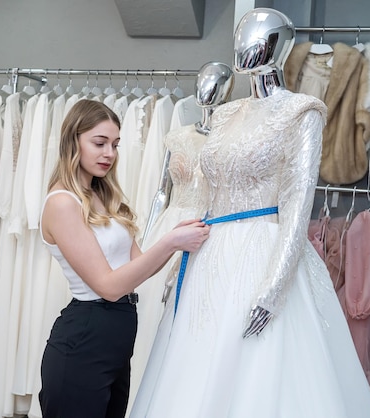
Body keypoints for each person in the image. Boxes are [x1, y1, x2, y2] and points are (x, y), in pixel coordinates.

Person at [130, 8, 370, 417]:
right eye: (242, 37)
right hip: (209, 255)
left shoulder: (302, 111)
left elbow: (298, 205)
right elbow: (206, 193)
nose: (244, 47)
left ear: (279, 48)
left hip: (264, 248)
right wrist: (180, 265)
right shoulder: (226, 113)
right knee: (193, 370)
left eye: (258, 39)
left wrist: (274, 289)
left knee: (259, 372)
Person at [37, 99, 210, 418]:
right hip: (86, 335)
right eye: (99, 143)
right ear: (73, 141)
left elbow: (137, 268)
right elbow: (108, 286)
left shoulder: (101, 197)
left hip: (115, 337)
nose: (109, 154)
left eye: (114, 145)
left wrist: (176, 240)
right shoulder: (63, 203)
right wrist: (171, 241)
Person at [129, 61, 234, 409]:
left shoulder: (233, 141)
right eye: (203, 82)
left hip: (207, 230)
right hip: (169, 224)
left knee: (191, 316)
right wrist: (145, 239)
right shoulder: (178, 136)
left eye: (218, 84)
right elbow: (161, 191)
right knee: (149, 312)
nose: (208, 90)